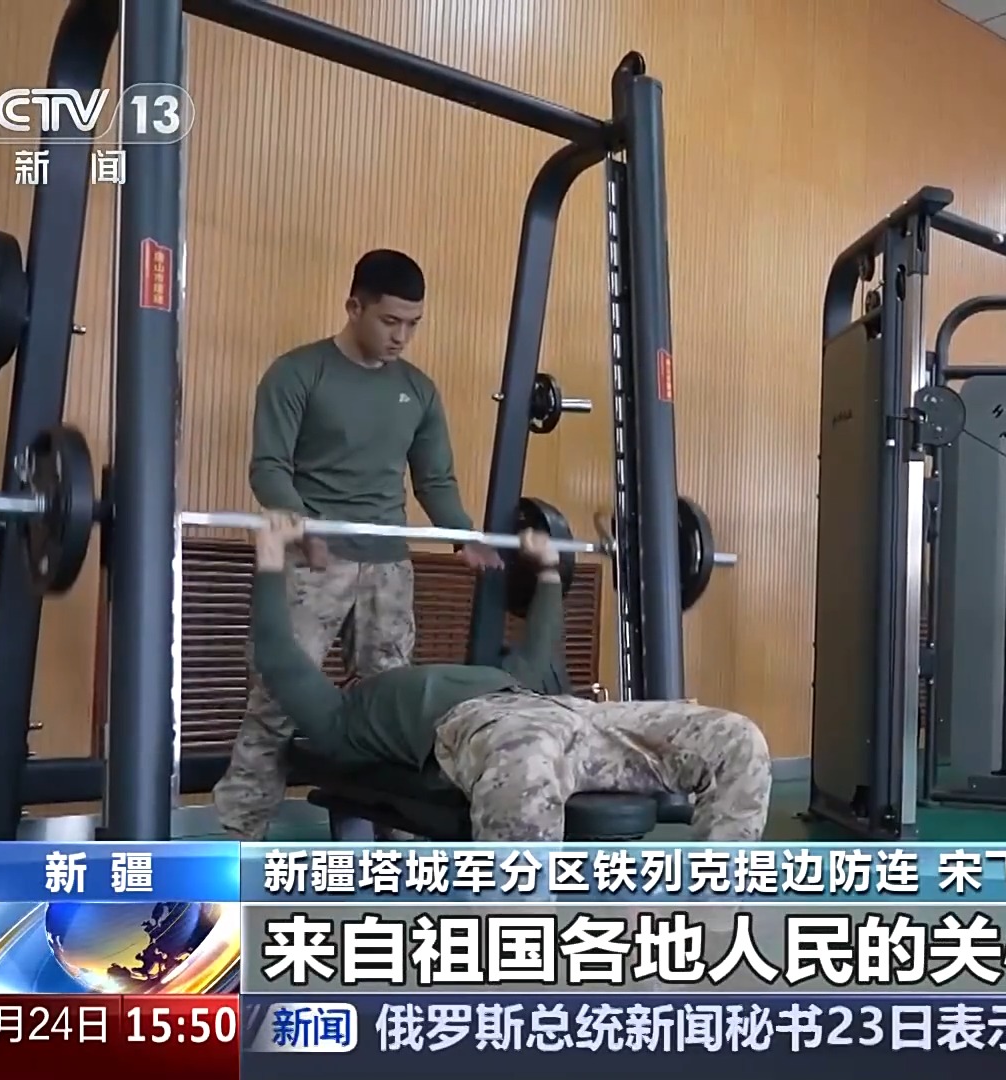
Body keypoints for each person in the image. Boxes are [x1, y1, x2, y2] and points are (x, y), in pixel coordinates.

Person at [244, 511, 774, 841]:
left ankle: (708, 917)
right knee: (528, 760)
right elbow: (278, 652)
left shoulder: (488, 673)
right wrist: (269, 559)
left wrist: (547, 569)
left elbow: (538, 647)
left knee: (736, 737)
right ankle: (516, 952)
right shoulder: (340, 715)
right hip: (484, 729)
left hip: (568, 713)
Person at [214, 250, 502, 841]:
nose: (401, 336)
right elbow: (269, 467)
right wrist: (303, 528)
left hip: (388, 568)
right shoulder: (298, 373)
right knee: (277, 700)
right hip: (314, 564)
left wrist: (462, 537)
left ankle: (394, 843)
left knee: (392, 707)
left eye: (413, 324)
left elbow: (435, 480)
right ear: (354, 307)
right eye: (390, 321)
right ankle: (238, 841)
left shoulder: (418, 391)